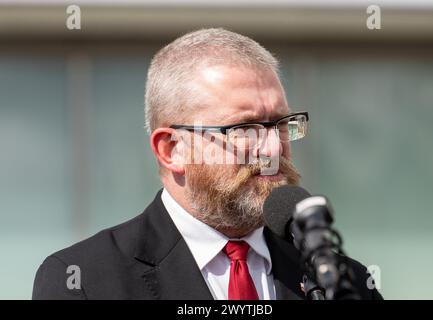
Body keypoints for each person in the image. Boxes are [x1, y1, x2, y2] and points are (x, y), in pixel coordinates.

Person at [32, 28, 382, 300]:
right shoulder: (84, 280)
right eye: (244, 129)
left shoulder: (342, 282)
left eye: (280, 124)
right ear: (172, 149)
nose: (273, 146)